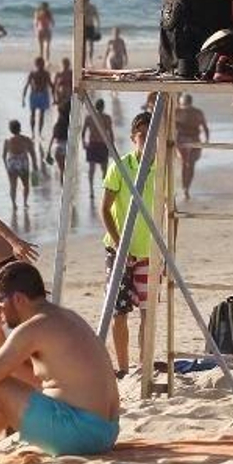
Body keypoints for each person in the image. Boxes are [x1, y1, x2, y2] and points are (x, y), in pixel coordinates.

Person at [0, 261, 121, 456]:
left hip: (79, 432)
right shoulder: (64, 316)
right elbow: (18, 373)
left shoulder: (33, 328)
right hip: (105, 431)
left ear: (19, 299)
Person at [102, 111, 157, 376]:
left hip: (149, 252)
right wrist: (119, 245)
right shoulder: (120, 167)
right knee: (118, 311)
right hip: (118, 250)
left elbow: (169, 211)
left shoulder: (162, 168)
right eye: (142, 137)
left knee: (148, 313)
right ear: (134, 138)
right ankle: (123, 369)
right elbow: (105, 209)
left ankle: (144, 367)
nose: (147, 143)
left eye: (151, 138)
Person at [173, 93, 210, 200]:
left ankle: (185, 188)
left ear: (181, 102)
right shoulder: (198, 112)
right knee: (190, 165)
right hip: (194, 140)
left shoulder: (176, 112)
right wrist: (207, 140)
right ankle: (186, 188)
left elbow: (170, 127)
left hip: (182, 140)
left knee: (185, 164)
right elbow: (205, 128)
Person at [2, 119, 37, 211]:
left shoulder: (7, 141)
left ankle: (14, 204)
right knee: (26, 184)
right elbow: (32, 153)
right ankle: (25, 202)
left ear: (10, 129)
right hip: (23, 162)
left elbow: (4, 156)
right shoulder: (26, 139)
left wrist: (6, 166)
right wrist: (35, 165)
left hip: (12, 162)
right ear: (19, 128)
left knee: (13, 185)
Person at [82, 99, 111, 192]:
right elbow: (111, 133)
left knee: (92, 169)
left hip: (92, 144)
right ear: (103, 107)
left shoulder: (89, 117)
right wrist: (111, 147)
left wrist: (84, 143)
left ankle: (91, 189)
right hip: (102, 144)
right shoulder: (107, 118)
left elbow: (83, 133)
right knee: (104, 169)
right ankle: (104, 190)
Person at [24, 56, 53, 140]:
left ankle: (40, 133)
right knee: (32, 114)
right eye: (39, 64)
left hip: (43, 94)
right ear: (36, 64)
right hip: (34, 95)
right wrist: (23, 97)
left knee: (42, 115)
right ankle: (32, 133)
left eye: (42, 64)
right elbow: (27, 85)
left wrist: (55, 97)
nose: (41, 65)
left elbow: (51, 85)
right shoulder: (32, 73)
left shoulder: (46, 73)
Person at [82, 0, 102, 64]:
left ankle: (90, 60)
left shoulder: (92, 7)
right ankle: (84, 60)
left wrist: (98, 28)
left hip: (90, 26)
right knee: (83, 45)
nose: (85, 0)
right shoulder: (81, 7)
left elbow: (97, 18)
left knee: (90, 45)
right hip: (83, 27)